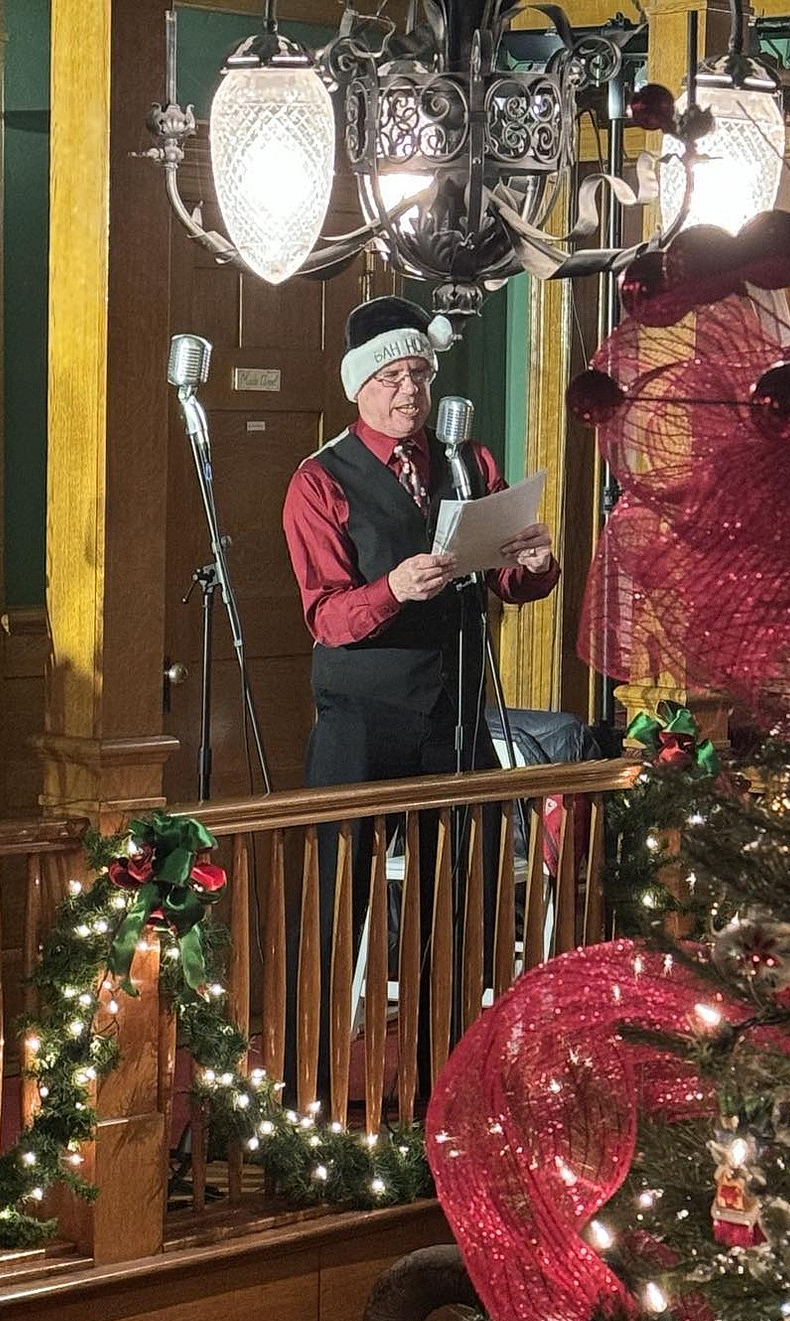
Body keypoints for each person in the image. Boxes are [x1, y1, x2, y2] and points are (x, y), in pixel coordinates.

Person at [281, 296, 560, 1107]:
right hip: (360, 725)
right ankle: (312, 1091)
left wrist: (534, 560)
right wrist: (393, 589)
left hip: (457, 715)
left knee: (461, 910)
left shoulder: (468, 462)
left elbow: (511, 579)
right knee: (337, 909)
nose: (410, 391)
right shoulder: (319, 479)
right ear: (360, 387)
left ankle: (450, 1092)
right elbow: (327, 616)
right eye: (394, 377)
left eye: (420, 374)